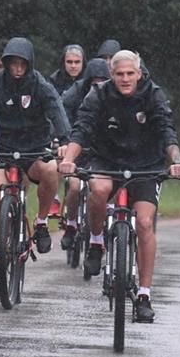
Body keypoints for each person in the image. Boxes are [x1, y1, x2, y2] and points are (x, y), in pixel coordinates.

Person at [58, 50, 180, 323]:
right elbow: (81, 129)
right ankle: (95, 242)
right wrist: (69, 159)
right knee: (99, 190)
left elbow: (167, 131)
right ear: (111, 74)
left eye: (130, 74)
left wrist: (175, 161)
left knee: (144, 223)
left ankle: (144, 294)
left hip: (146, 166)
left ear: (139, 74)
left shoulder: (153, 94)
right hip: (107, 161)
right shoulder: (99, 95)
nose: (125, 79)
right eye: (119, 74)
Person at [0, 37, 71, 284]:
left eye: (23, 64)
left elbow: (56, 109)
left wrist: (64, 139)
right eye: (14, 64)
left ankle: (41, 221)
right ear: (7, 63)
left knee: (52, 170)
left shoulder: (40, 85)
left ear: (29, 64)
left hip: (33, 148)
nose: (18, 69)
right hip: (1, 149)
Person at [58, 59, 111, 250]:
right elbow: (61, 114)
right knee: (73, 186)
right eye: (93, 82)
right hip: (78, 146)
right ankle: (71, 224)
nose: (97, 86)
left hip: (102, 151)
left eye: (102, 81)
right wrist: (65, 141)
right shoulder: (74, 94)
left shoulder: (112, 94)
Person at [47, 44, 87, 217]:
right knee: (56, 149)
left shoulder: (90, 80)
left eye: (77, 62)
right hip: (61, 129)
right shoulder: (53, 81)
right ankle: (54, 198)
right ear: (63, 63)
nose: (73, 66)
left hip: (84, 128)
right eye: (69, 62)